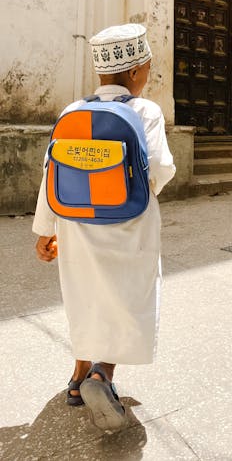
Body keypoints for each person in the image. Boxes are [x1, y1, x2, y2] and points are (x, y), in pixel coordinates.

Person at [33, 23, 175, 431]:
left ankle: (78, 378)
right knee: (126, 298)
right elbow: (161, 169)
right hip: (130, 225)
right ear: (135, 73)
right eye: (147, 67)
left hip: (76, 226)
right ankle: (102, 376)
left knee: (86, 297)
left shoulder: (70, 112)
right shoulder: (145, 111)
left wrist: (47, 230)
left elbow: (51, 174)